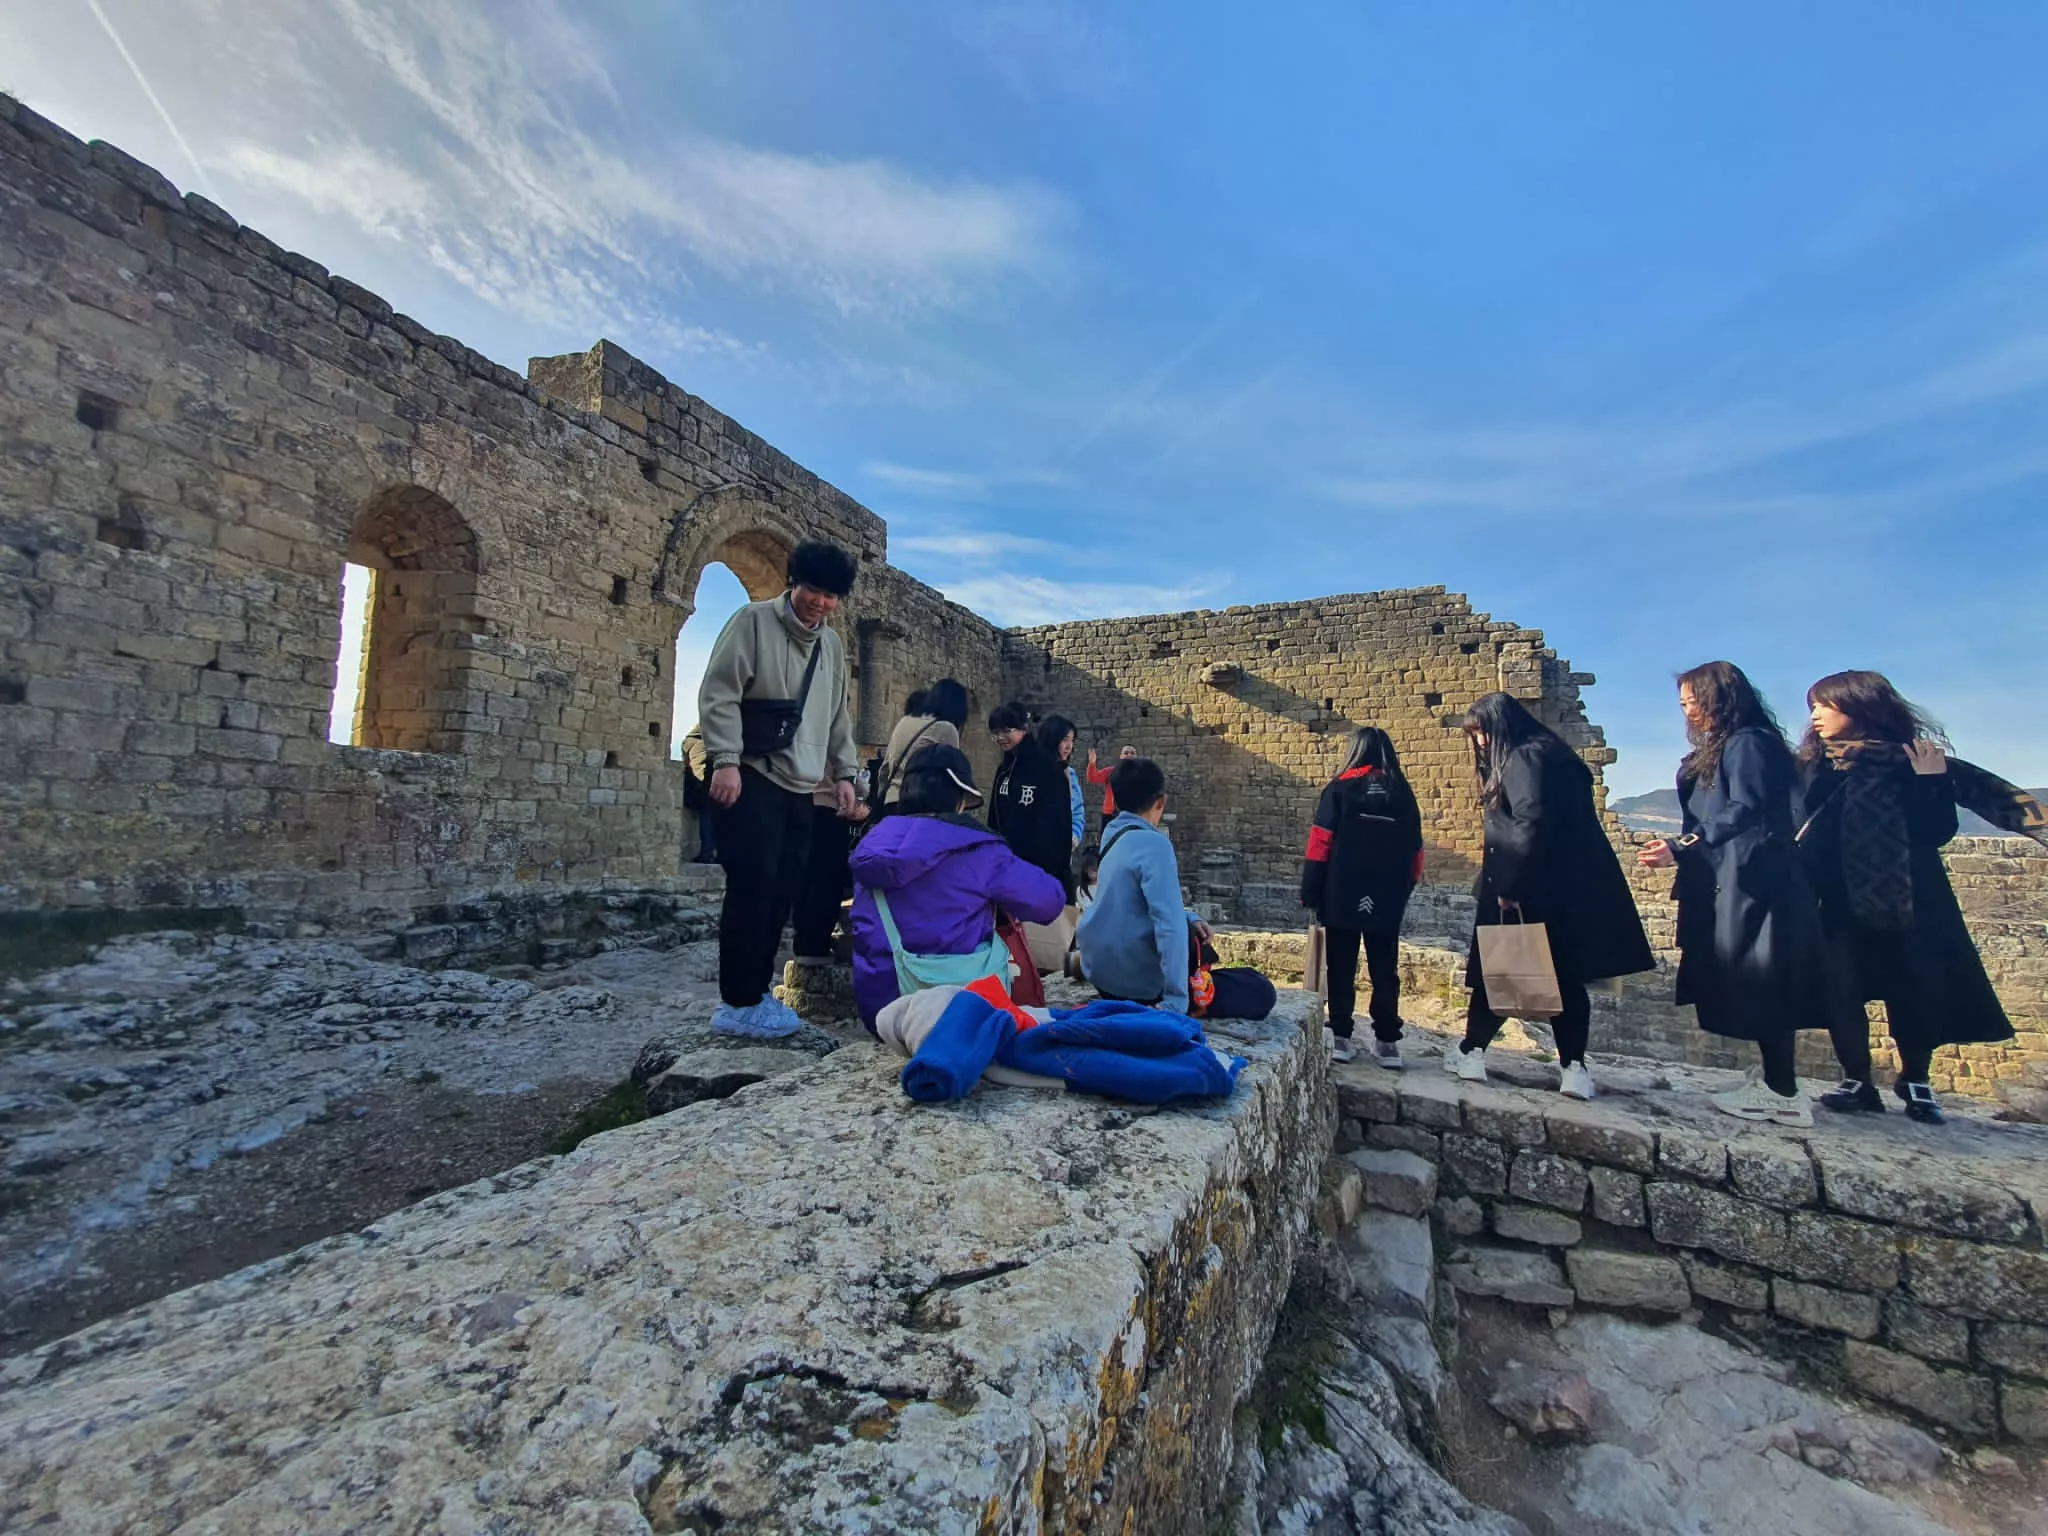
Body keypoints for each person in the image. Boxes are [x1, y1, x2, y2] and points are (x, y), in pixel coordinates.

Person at [1796, 670, 2020, 1124]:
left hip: (1909, 895)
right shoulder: (1817, 767)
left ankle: (1916, 1079)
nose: (1815, 716)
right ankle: (1857, 1079)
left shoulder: (1914, 763)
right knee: (1842, 988)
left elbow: (1935, 831)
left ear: (1859, 707)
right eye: (1813, 707)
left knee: (1911, 987)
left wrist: (1931, 781)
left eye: (1825, 705)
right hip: (1836, 897)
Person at [1638, 663, 1825, 1127]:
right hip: (1739, 878)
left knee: (1765, 979)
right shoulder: (1732, 745)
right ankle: (1773, 1079)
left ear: (1718, 697)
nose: (1687, 710)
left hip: (1756, 883)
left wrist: (1683, 846)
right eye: (1682, 703)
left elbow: (1745, 807)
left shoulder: (1748, 743)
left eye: (1692, 700)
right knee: (1752, 979)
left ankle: (1783, 1091)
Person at [1450, 692, 1653, 1098]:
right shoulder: (1559, 755)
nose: (1481, 743)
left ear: (1498, 726)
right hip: (1571, 888)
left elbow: (1529, 821)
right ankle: (1574, 1068)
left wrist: (1510, 886)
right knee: (1566, 978)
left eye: (1482, 733)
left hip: (1529, 883)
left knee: (1501, 968)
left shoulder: (1523, 757)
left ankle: (1470, 1053)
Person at [697, 539, 861, 1037]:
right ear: (794, 583)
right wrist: (724, 759)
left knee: (783, 890)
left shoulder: (830, 645)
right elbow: (719, 692)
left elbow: (837, 716)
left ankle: (755, 997)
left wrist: (846, 775)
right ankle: (738, 1003)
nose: (821, 602)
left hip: (803, 784)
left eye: (832, 595)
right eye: (814, 589)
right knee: (753, 885)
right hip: (752, 772)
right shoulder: (752, 622)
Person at [846, 744, 1066, 1029]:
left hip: (884, 1011)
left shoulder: (871, 847)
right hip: (960, 1007)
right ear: (960, 798)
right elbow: (1050, 902)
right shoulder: (978, 851)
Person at [1079, 756, 1276, 1020]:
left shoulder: (1111, 836)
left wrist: (1189, 917)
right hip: (1140, 987)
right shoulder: (1154, 844)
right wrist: (1176, 1000)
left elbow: (1132, 905)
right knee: (1259, 989)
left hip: (1104, 978)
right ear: (1161, 801)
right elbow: (1168, 926)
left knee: (1234, 976)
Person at [1301, 727, 1424, 1068]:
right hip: (1387, 890)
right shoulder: (1402, 792)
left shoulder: (1339, 789)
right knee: (1385, 966)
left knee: (1341, 963)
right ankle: (1387, 1043)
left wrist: (1310, 889)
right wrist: (1407, 885)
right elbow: (1416, 848)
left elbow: (1320, 842)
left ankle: (1341, 1036)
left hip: (1341, 889)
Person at [987, 702, 1073, 898]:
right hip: (1007, 869)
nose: (1000, 737)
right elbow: (994, 817)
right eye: (995, 732)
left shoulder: (1047, 769)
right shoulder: (1004, 770)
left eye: (1006, 730)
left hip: (1038, 873)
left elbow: (1058, 828)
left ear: (1024, 728)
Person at [792, 771, 870, 961]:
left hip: (799, 799)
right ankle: (816, 945)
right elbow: (848, 771)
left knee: (804, 876)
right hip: (832, 804)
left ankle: (802, 943)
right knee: (827, 879)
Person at [875, 679, 969, 810]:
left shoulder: (904, 722)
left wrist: (882, 797)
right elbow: (953, 775)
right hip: (922, 805)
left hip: (891, 801)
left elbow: (885, 768)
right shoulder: (946, 728)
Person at [1037, 713, 1085, 849]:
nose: (1069, 746)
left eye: (1072, 740)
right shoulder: (1031, 772)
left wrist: (1073, 837)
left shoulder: (1070, 774)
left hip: (1062, 853)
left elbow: (1077, 810)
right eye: (1065, 739)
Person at [680, 725, 716, 863]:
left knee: (707, 816)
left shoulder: (692, 743)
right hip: (707, 781)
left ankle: (707, 853)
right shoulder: (703, 744)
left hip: (704, 783)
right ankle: (710, 852)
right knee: (711, 816)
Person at [1085, 744, 1137, 837]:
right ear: (1121, 756)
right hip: (1110, 815)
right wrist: (1092, 763)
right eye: (1126, 753)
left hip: (1132, 815)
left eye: (1132, 753)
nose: (1129, 755)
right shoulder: (1110, 771)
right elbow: (1093, 778)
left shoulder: (1141, 774)